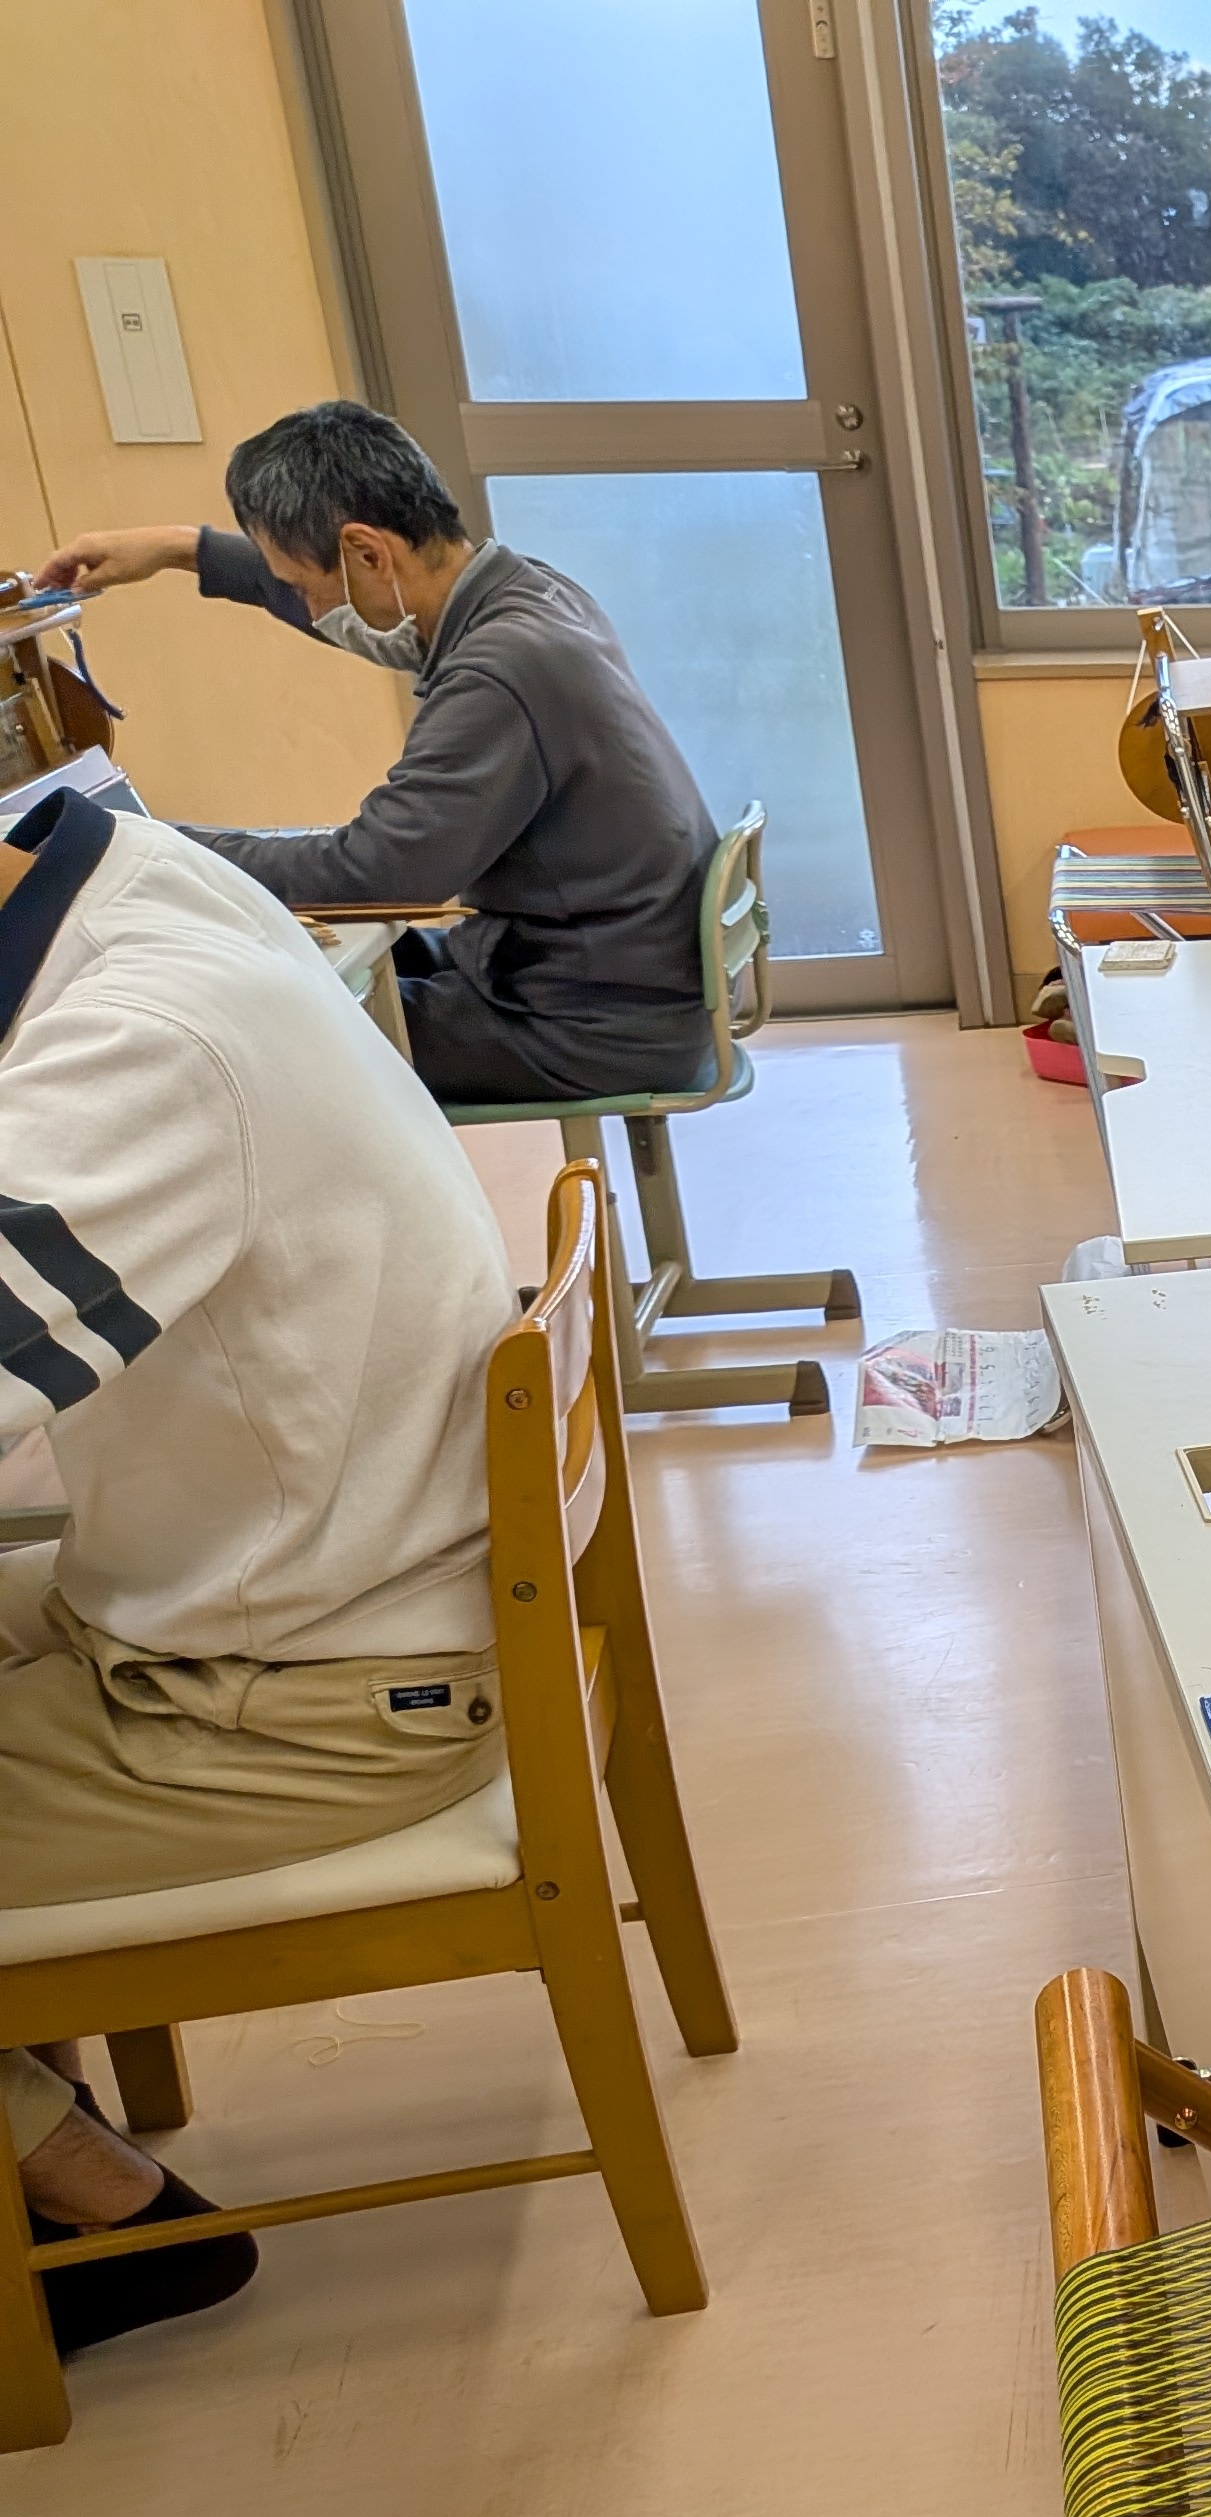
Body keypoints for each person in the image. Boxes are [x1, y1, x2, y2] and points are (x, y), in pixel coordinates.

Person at [0, 781, 517, 2358]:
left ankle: (86, 2202)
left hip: (302, 1690)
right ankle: (60, 2156)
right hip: (309, 1589)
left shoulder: (140, 1044)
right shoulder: (134, 874)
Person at [33, 400, 720, 1106]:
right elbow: (354, 621)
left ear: (368, 553)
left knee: (226, 1036)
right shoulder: (527, 594)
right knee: (288, 966)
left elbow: (376, 873)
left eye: (304, 586)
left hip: (586, 1027)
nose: (311, 608)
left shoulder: (499, 671)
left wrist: (143, 843)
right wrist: (183, 549)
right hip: (595, 977)